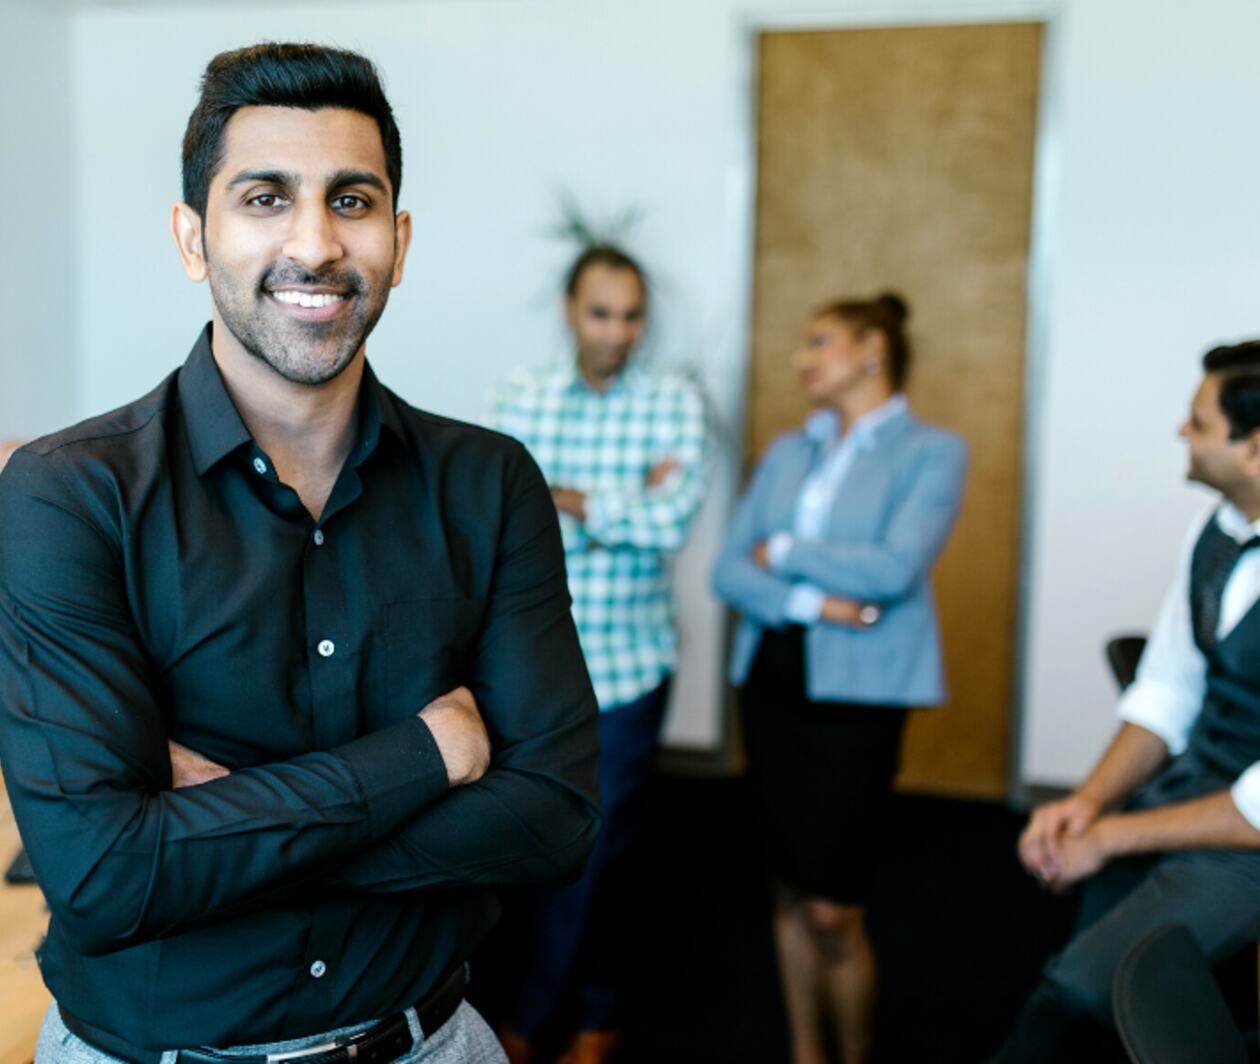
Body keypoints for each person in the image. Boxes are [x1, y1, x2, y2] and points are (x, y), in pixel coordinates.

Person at [0, 43, 600, 1064]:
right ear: (193, 237)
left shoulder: (489, 481)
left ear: (398, 241)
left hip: (433, 1043)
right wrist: (426, 756)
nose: (316, 243)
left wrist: (218, 838)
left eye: (353, 201)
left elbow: (551, 818)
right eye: (266, 198)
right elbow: (103, 876)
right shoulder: (69, 492)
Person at [712, 293, 967, 1064]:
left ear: (871, 352)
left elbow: (892, 570)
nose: (803, 357)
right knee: (788, 889)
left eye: (819, 341)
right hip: (772, 682)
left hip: (859, 701)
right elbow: (729, 567)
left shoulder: (932, 451)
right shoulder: (791, 450)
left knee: (834, 908)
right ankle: (805, 1051)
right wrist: (817, 599)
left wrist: (784, 551)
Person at [993, 340, 1260, 1062]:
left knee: (1074, 1002)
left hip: (1251, 841)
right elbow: (1167, 691)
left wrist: (1112, 834)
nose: (1181, 432)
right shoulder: (1219, 531)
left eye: (1197, 423)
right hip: (1200, 788)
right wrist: (1089, 803)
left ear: (1255, 450)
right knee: (1095, 960)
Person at [486, 244, 709, 1063]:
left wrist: (561, 494)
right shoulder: (517, 398)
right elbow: (495, 523)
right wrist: (620, 503)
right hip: (529, 671)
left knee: (598, 847)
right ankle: (582, 1002)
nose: (616, 331)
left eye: (630, 315)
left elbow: (671, 524)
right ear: (570, 310)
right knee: (535, 844)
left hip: (627, 671)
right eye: (600, 312)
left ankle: (549, 1020)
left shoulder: (675, 404)